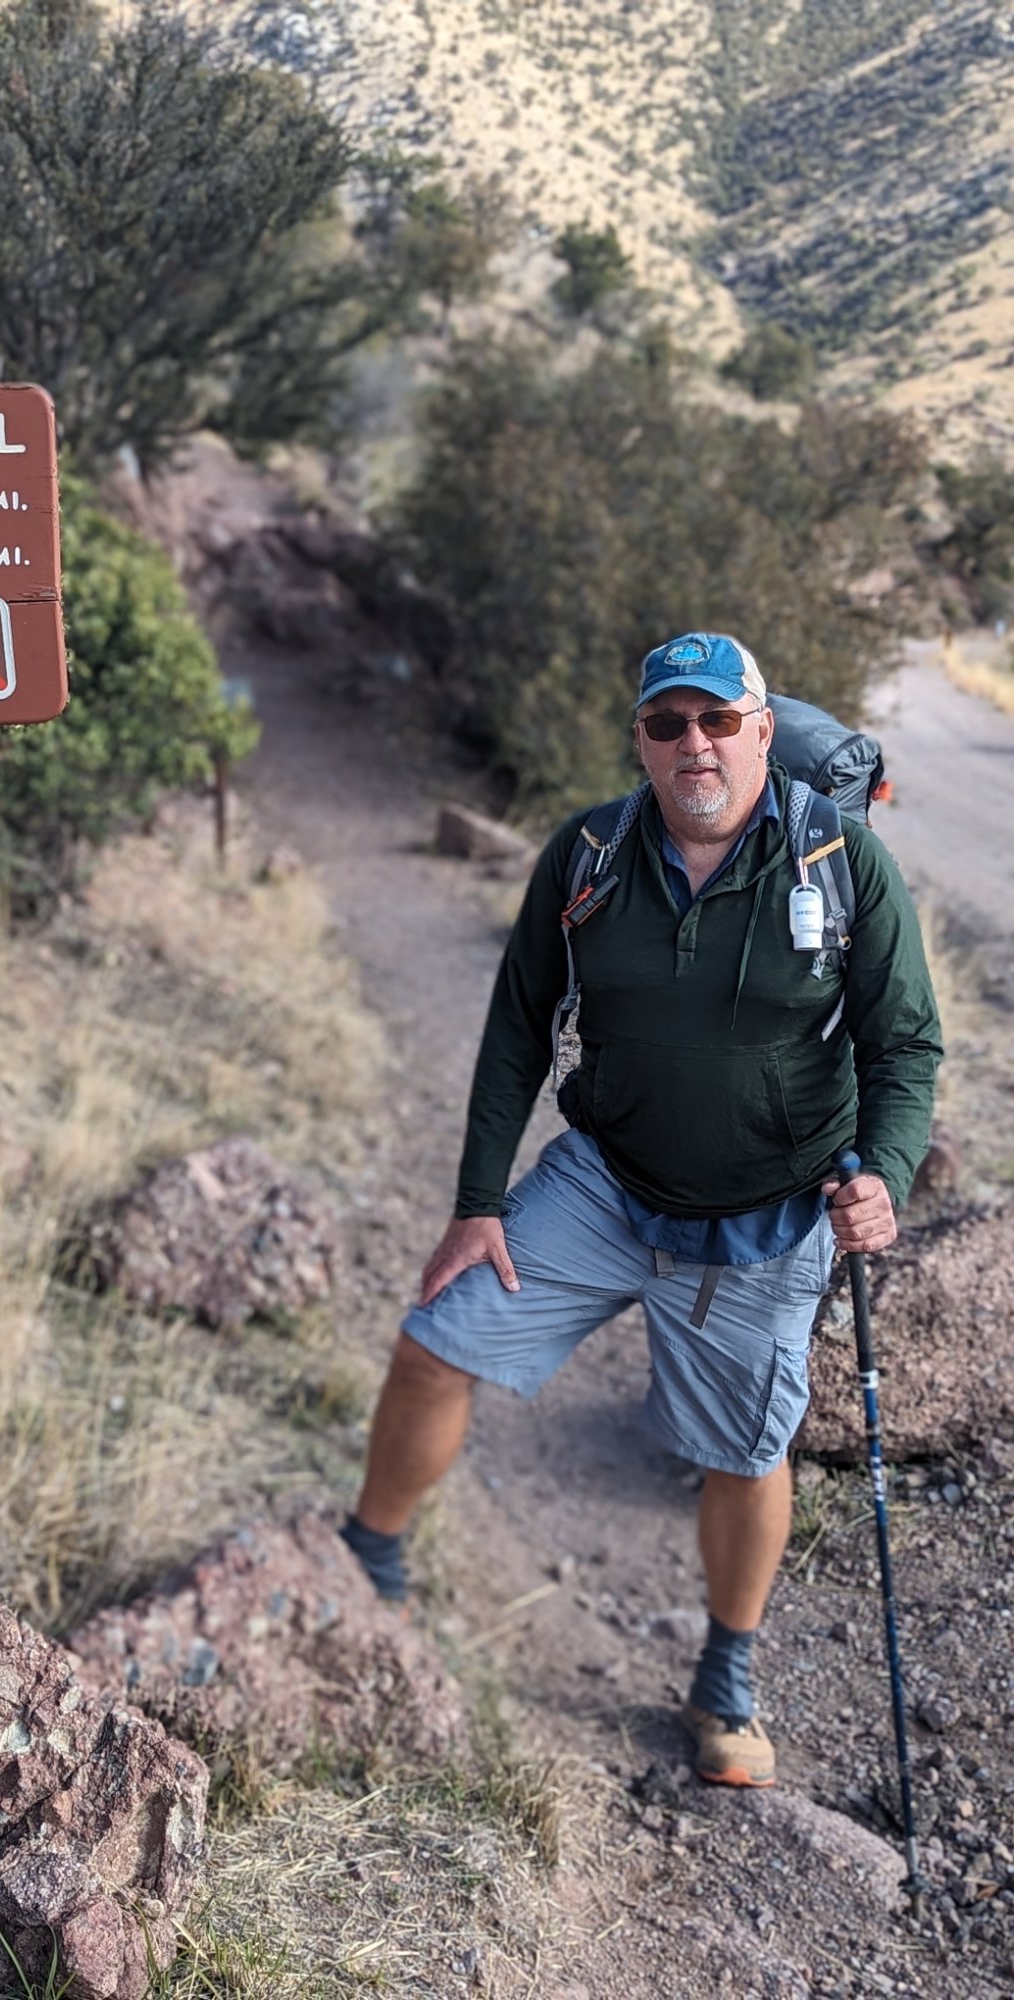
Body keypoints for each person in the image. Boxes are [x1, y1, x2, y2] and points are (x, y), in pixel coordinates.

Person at [341, 632, 941, 1788]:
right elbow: (520, 1020)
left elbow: (902, 1039)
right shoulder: (589, 850)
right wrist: (476, 1202)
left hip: (767, 1211)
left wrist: (888, 1172)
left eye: (716, 720)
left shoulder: (839, 860)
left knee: (744, 1447)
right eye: (666, 724)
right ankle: (363, 1563)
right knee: (434, 1338)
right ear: (640, 741)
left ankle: (725, 1676)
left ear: (761, 729)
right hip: (605, 1181)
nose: (692, 743)